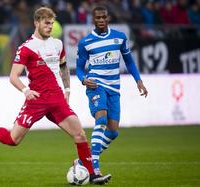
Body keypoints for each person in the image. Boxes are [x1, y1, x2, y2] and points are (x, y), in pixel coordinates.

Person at [0, 7, 111, 185]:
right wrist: (26, 91)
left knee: (80, 134)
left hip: (57, 98)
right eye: (46, 23)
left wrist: (67, 91)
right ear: (37, 23)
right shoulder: (26, 48)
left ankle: (93, 175)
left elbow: (63, 67)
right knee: (13, 139)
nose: (50, 27)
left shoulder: (57, 44)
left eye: (51, 23)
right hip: (36, 100)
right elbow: (13, 76)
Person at [76, 5, 148, 176]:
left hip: (114, 87)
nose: (101, 20)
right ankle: (95, 169)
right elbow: (79, 68)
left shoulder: (120, 38)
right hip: (96, 85)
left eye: (103, 17)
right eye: (97, 18)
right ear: (93, 20)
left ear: (108, 18)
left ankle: (82, 161)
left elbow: (129, 62)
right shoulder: (85, 42)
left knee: (113, 131)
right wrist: (83, 79)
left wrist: (138, 81)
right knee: (101, 121)